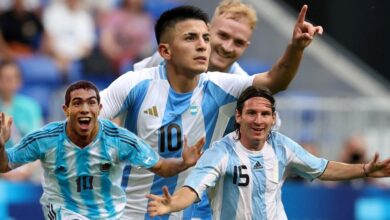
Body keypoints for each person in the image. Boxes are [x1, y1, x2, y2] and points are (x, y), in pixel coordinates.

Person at [100, 4, 321, 219]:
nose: (226, 46)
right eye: (221, 36)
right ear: (209, 28)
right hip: (137, 195)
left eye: (238, 42)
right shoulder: (155, 67)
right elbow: (127, 106)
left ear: (246, 46)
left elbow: (263, 143)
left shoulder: (242, 91)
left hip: (204, 197)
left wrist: (296, 48)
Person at [146, 86, 390, 220]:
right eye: (251, 113)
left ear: (273, 118)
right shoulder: (221, 152)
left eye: (265, 114)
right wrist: (172, 204)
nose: (258, 120)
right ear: (239, 117)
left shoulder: (281, 145)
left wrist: (366, 169)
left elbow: (322, 168)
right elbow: (192, 189)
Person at [0, 80, 205, 219]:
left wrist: (184, 162)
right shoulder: (45, 138)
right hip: (64, 209)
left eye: (91, 103)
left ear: (99, 108)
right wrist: (1, 145)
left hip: (111, 213)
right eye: (77, 103)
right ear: (66, 110)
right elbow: (5, 164)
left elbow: (161, 166)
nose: (85, 109)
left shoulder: (119, 139)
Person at [0, 60, 43, 181]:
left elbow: (37, 144)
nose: (10, 82)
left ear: (20, 80)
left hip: (26, 167)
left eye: (14, 77)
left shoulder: (30, 107)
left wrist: (25, 170)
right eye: (5, 78)